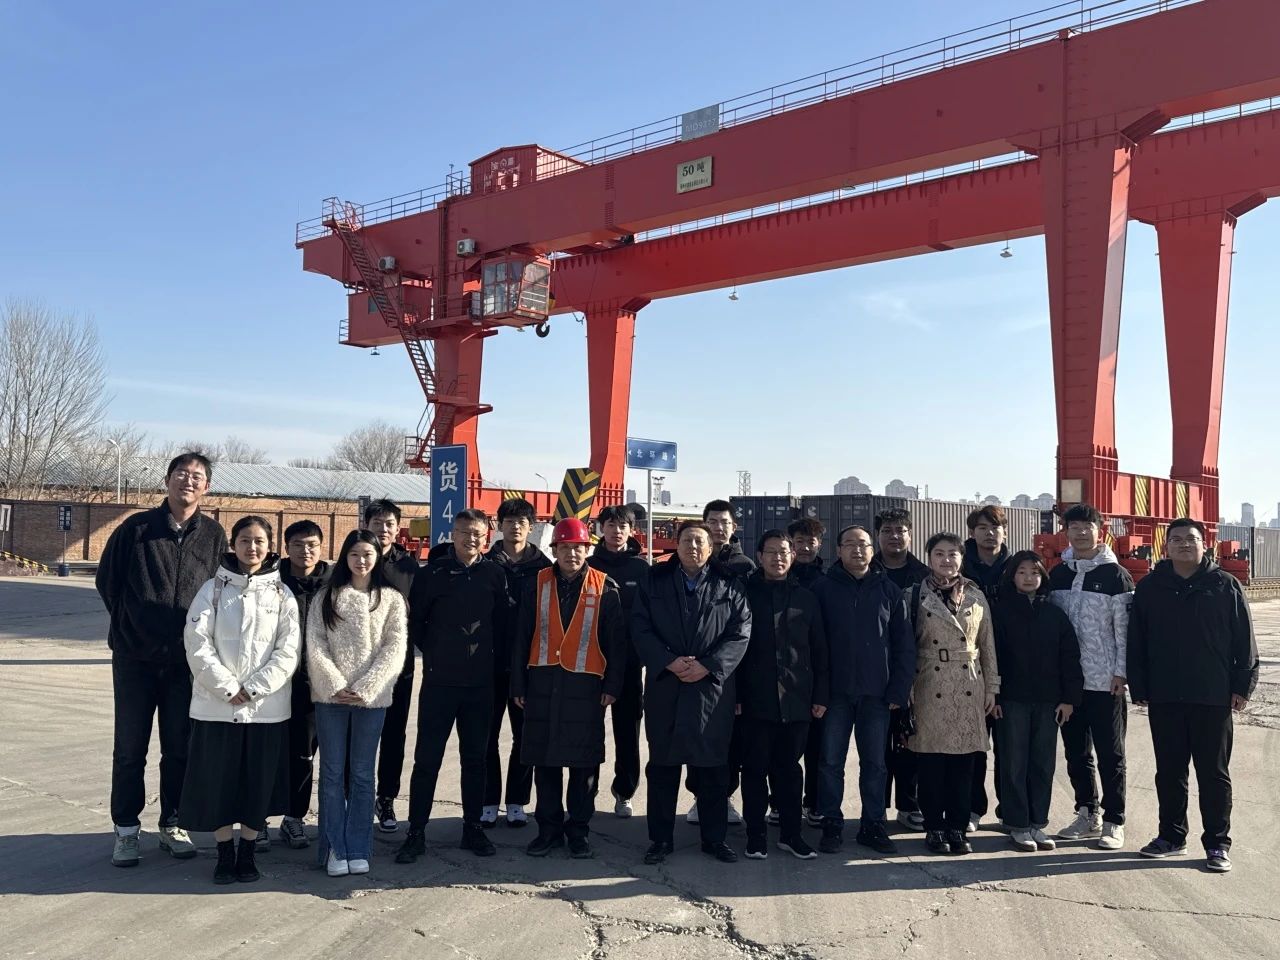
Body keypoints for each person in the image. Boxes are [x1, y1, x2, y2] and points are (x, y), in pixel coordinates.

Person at [95, 452, 226, 868]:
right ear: (168, 480)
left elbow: (219, 592)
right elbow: (107, 582)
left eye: (197, 476)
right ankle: (126, 830)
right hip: (134, 659)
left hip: (185, 663)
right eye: (181, 474)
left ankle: (173, 824)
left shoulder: (213, 535)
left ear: (206, 487)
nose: (188, 481)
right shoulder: (135, 529)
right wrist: (131, 624)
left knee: (180, 747)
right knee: (130, 748)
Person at [1128, 518, 1259, 873]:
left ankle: (1217, 843)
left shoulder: (1224, 585)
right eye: (1176, 539)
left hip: (1212, 695)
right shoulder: (1151, 587)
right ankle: (1171, 837)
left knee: (1213, 773)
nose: (1184, 544)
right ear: (1166, 546)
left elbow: (1244, 641)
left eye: (1191, 538)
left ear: (1205, 545)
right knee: (1169, 771)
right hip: (1166, 695)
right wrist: (1139, 685)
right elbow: (1137, 639)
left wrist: (1241, 686)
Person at [179, 516, 300, 884]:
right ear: (233, 544)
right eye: (245, 540)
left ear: (270, 545)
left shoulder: (282, 594)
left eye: (259, 540)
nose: (253, 547)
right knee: (218, 784)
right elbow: (197, 642)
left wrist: (256, 687)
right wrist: (229, 688)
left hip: (265, 710)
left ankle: (247, 852)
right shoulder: (213, 589)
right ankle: (223, 853)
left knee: (255, 784)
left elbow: (289, 650)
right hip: (217, 708)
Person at [632, 520, 751, 864]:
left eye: (700, 542)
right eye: (687, 541)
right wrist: (667, 661)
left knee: (713, 768)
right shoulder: (654, 580)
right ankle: (660, 840)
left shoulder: (729, 585)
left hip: (710, 691)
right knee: (663, 767)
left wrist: (709, 665)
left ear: (711, 548)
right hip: (666, 686)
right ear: (677, 544)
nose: (693, 547)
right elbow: (639, 626)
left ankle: (714, 839)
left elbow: (740, 631)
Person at [395, 509, 509, 863]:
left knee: (475, 759)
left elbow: (502, 625)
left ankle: (472, 828)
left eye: (477, 533)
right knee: (427, 759)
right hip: (440, 683)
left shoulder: (494, 574)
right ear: (453, 534)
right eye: (464, 532)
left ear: (485, 537)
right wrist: (437, 653)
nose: (470, 539)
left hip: (480, 685)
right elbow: (416, 623)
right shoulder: (432, 573)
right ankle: (416, 832)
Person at [511, 518, 625, 859]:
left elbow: (617, 643)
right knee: (544, 761)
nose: (571, 554)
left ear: (587, 550)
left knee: (583, 764)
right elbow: (521, 637)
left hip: (586, 686)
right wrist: (518, 683)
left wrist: (613, 685)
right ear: (555, 550)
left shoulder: (605, 587)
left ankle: (578, 831)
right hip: (542, 684)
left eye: (578, 548)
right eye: (564, 547)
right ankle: (548, 830)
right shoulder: (536, 584)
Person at [307, 530, 407, 877]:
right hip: (330, 698)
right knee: (332, 773)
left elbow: (395, 648)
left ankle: (359, 847)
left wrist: (367, 686)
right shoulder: (326, 597)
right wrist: (334, 684)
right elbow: (315, 645)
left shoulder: (391, 599)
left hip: (372, 700)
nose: (361, 560)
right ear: (344, 557)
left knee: (363, 774)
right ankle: (334, 847)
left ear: (377, 557)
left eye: (367, 554)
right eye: (354, 554)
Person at [809, 525, 914, 856]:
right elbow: (813, 645)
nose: (857, 550)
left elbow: (904, 645)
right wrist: (818, 693)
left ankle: (873, 824)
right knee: (830, 761)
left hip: (876, 693)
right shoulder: (822, 589)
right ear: (838, 550)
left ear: (872, 550)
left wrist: (898, 690)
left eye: (864, 544)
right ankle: (831, 822)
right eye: (850, 544)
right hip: (835, 694)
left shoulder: (888, 590)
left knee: (875, 764)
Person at [906, 532, 999, 856]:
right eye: (939, 554)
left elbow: (987, 644)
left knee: (964, 763)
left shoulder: (976, 594)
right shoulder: (914, 594)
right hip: (929, 683)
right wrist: (906, 688)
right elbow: (906, 646)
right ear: (929, 558)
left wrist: (993, 687)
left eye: (952, 554)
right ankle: (934, 827)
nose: (946, 560)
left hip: (969, 683)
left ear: (962, 558)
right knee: (931, 763)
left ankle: (958, 827)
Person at [738, 530, 828, 860]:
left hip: (797, 699)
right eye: (771, 552)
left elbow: (820, 651)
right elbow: (735, 649)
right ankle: (755, 835)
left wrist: (820, 695)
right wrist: (736, 696)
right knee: (754, 769)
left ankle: (791, 835)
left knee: (790, 770)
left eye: (784, 552)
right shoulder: (744, 594)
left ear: (792, 556)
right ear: (759, 556)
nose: (778, 558)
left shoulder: (806, 598)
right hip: (755, 699)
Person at [1049, 503, 1134, 850]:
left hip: (1105, 681)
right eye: (1075, 527)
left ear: (1100, 531)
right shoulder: (1057, 574)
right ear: (1066, 532)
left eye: (1088, 526)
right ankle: (1087, 812)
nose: (1081, 533)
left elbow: (1125, 631)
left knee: (1111, 754)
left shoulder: (1116, 576)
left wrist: (1121, 672)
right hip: (1069, 683)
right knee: (1076, 752)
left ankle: (1114, 820)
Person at [991, 551, 1082, 852]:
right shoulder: (1000, 612)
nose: (1029, 578)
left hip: (1048, 702)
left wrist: (1069, 699)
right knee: (1013, 764)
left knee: (1043, 764)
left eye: (1035, 572)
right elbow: (992, 657)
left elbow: (1070, 658)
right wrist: (994, 696)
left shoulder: (1055, 614)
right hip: (1011, 700)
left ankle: (1037, 824)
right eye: (1022, 572)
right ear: (1012, 577)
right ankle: (1018, 824)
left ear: (1043, 577)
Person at [484, 497, 551, 828]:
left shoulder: (544, 570)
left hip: (528, 666)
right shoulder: (485, 565)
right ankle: (487, 801)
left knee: (524, 737)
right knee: (487, 736)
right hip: (490, 665)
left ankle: (516, 801)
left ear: (531, 526)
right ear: (499, 526)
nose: (515, 527)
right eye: (509, 521)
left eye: (522, 522)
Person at [587, 504, 651, 818]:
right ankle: (585, 793)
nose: (616, 531)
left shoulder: (642, 569)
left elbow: (650, 615)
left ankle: (624, 792)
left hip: (629, 664)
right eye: (610, 525)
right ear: (601, 529)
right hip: (592, 663)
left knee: (628, 732)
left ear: (631, 529)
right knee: (588, 732)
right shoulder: (588, 565)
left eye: (622, 526)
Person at [273, 520, 331, 852]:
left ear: (321, 547)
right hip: (275, 684)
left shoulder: (333, 584)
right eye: (297, 544)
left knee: (303, 755)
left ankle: (294, 817)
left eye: (312, 545)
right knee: (268, 753)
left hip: (315, 686)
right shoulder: (271, 580)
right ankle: (258, 819)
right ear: (286, 547)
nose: (305, 551)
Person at [365, 499, 421, 834]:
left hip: (399, 666)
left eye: (389, 524)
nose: (383, 529)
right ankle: (354, 797)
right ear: (367, 525)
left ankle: (386, 798)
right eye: (377, 523)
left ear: (397, 527)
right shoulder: (356, 558)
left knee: (393, 734)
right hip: (358, 664)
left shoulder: (409, 568)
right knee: (358, 734)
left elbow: (420, 613)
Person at [871, 508, 929, 832]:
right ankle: (876, 808)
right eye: (887, 531)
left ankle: (909, 805)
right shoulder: (866, 571)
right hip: (874, 672)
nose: (894, 536)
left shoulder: (924, 575)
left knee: (909, 742)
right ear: (877, 535)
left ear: (910, 534)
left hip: (916, 673)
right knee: (877, 746)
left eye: (900, 530)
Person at [960, 505, 1011, 831]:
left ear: (1004, 532)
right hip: (969, 671)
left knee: (1008, 748)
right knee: (973, 746)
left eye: (995, 528)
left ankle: (1009, 810)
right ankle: (972, 809)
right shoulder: (960, 567)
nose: (989, 534)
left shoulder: (1017, 567)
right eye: (982, 528)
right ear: (972, 533)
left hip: (1011, 669)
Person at [787, 516, 827, 825]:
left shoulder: (828, 581)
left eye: (810, 541)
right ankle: (779, 803)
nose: (804, 547)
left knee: (818, 747)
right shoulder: (778, 577)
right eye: (798, 541)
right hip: (784, 675)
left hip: (817, 675)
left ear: (819, 544)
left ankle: (813, 802)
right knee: (784, 749)